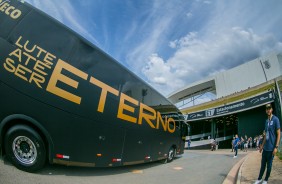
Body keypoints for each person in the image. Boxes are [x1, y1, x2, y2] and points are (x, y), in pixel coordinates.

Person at [254, 104, 281, 184]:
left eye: (269, 108)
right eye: (267, 109)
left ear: (272, 109)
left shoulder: (276, 119)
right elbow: (265, 135)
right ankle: (259, 179)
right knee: (262, 165)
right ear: (266, 111)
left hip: (272, 148)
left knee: (269, 166)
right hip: (265, 148)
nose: (268, 110)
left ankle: (265, 180)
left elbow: (278, 134)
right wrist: (262, 146)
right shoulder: (266, 121)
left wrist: (276, 147)